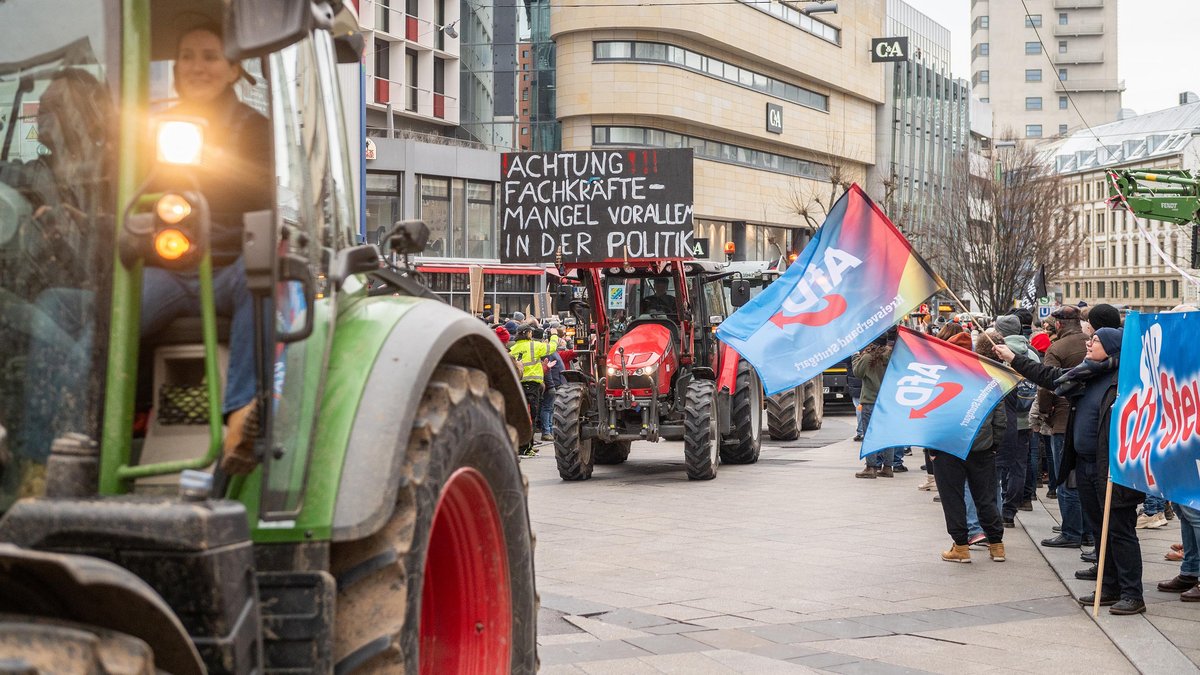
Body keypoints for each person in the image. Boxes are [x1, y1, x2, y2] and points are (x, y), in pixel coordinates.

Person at [138, 24, 272, 475]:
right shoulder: (149, 129)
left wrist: (212, 166)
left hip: (228, 267)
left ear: (234, 69)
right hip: (168, 271)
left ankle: (239, 420)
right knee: (112, 309)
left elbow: (263, 199)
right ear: (175, 67)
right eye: (188, 55)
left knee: (261, 279)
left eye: (211, 56)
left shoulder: (255, 130)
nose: (198, 66)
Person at [995, 327, 1145, 615]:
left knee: (1119, 530)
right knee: (1100, 529)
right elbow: (1050, 378)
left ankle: (1132, 594)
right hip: (1086, 465)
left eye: (1096, 341)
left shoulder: (1126, 380)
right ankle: (1108, 586)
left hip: (1114, 469)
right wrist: (1013, 358)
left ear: (1112, 348)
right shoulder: (1086, 374)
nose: (1089, 344)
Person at [932, 332, 1008, 564]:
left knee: (953, 497)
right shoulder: (988, 378)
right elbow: (1000, 418)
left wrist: (932, 449)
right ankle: (997, 546)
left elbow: (933, 416)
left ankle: (961, 547)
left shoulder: (942, 378)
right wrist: (994, 444)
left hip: (948, 448)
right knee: (986, 497)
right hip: (982, 448)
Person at [1033, 306, 1091, 549]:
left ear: (1058, 325)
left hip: (1063, 419)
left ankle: (1071, 531)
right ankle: (1087, 530)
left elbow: (1046, 384)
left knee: (1065, 477)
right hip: (1089, 418)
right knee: (1086, 478)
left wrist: (1045, 413)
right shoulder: (1091, 342)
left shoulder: (1056, 348)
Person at [995, 314, 1039, 527]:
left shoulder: (997, 351)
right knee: (1019, 466)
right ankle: (1010, 511)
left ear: (1000, 331)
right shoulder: (1031, 353)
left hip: (1001, 419)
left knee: (996, 465)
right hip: (1025, 419)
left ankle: (996, 507)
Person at [853, 336, 893, 478]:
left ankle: (871, 467)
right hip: (887, 401)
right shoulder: (891, 355)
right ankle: (888, 467)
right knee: (887, 434)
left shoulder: (868, 357)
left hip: (870, 400)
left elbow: (857, 373)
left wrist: (855, 357)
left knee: (870, 435)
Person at [509, 324, 551, 454]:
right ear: (527, 333)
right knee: (531, 417)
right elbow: (552, 348)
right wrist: (554, 335)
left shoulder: (513, 348)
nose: (532, 334)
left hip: (518, 385)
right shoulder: (534, 346)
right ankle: (526, 448)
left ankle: (525, 446)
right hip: (532, 386)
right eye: (530, 332)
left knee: (521, 416)